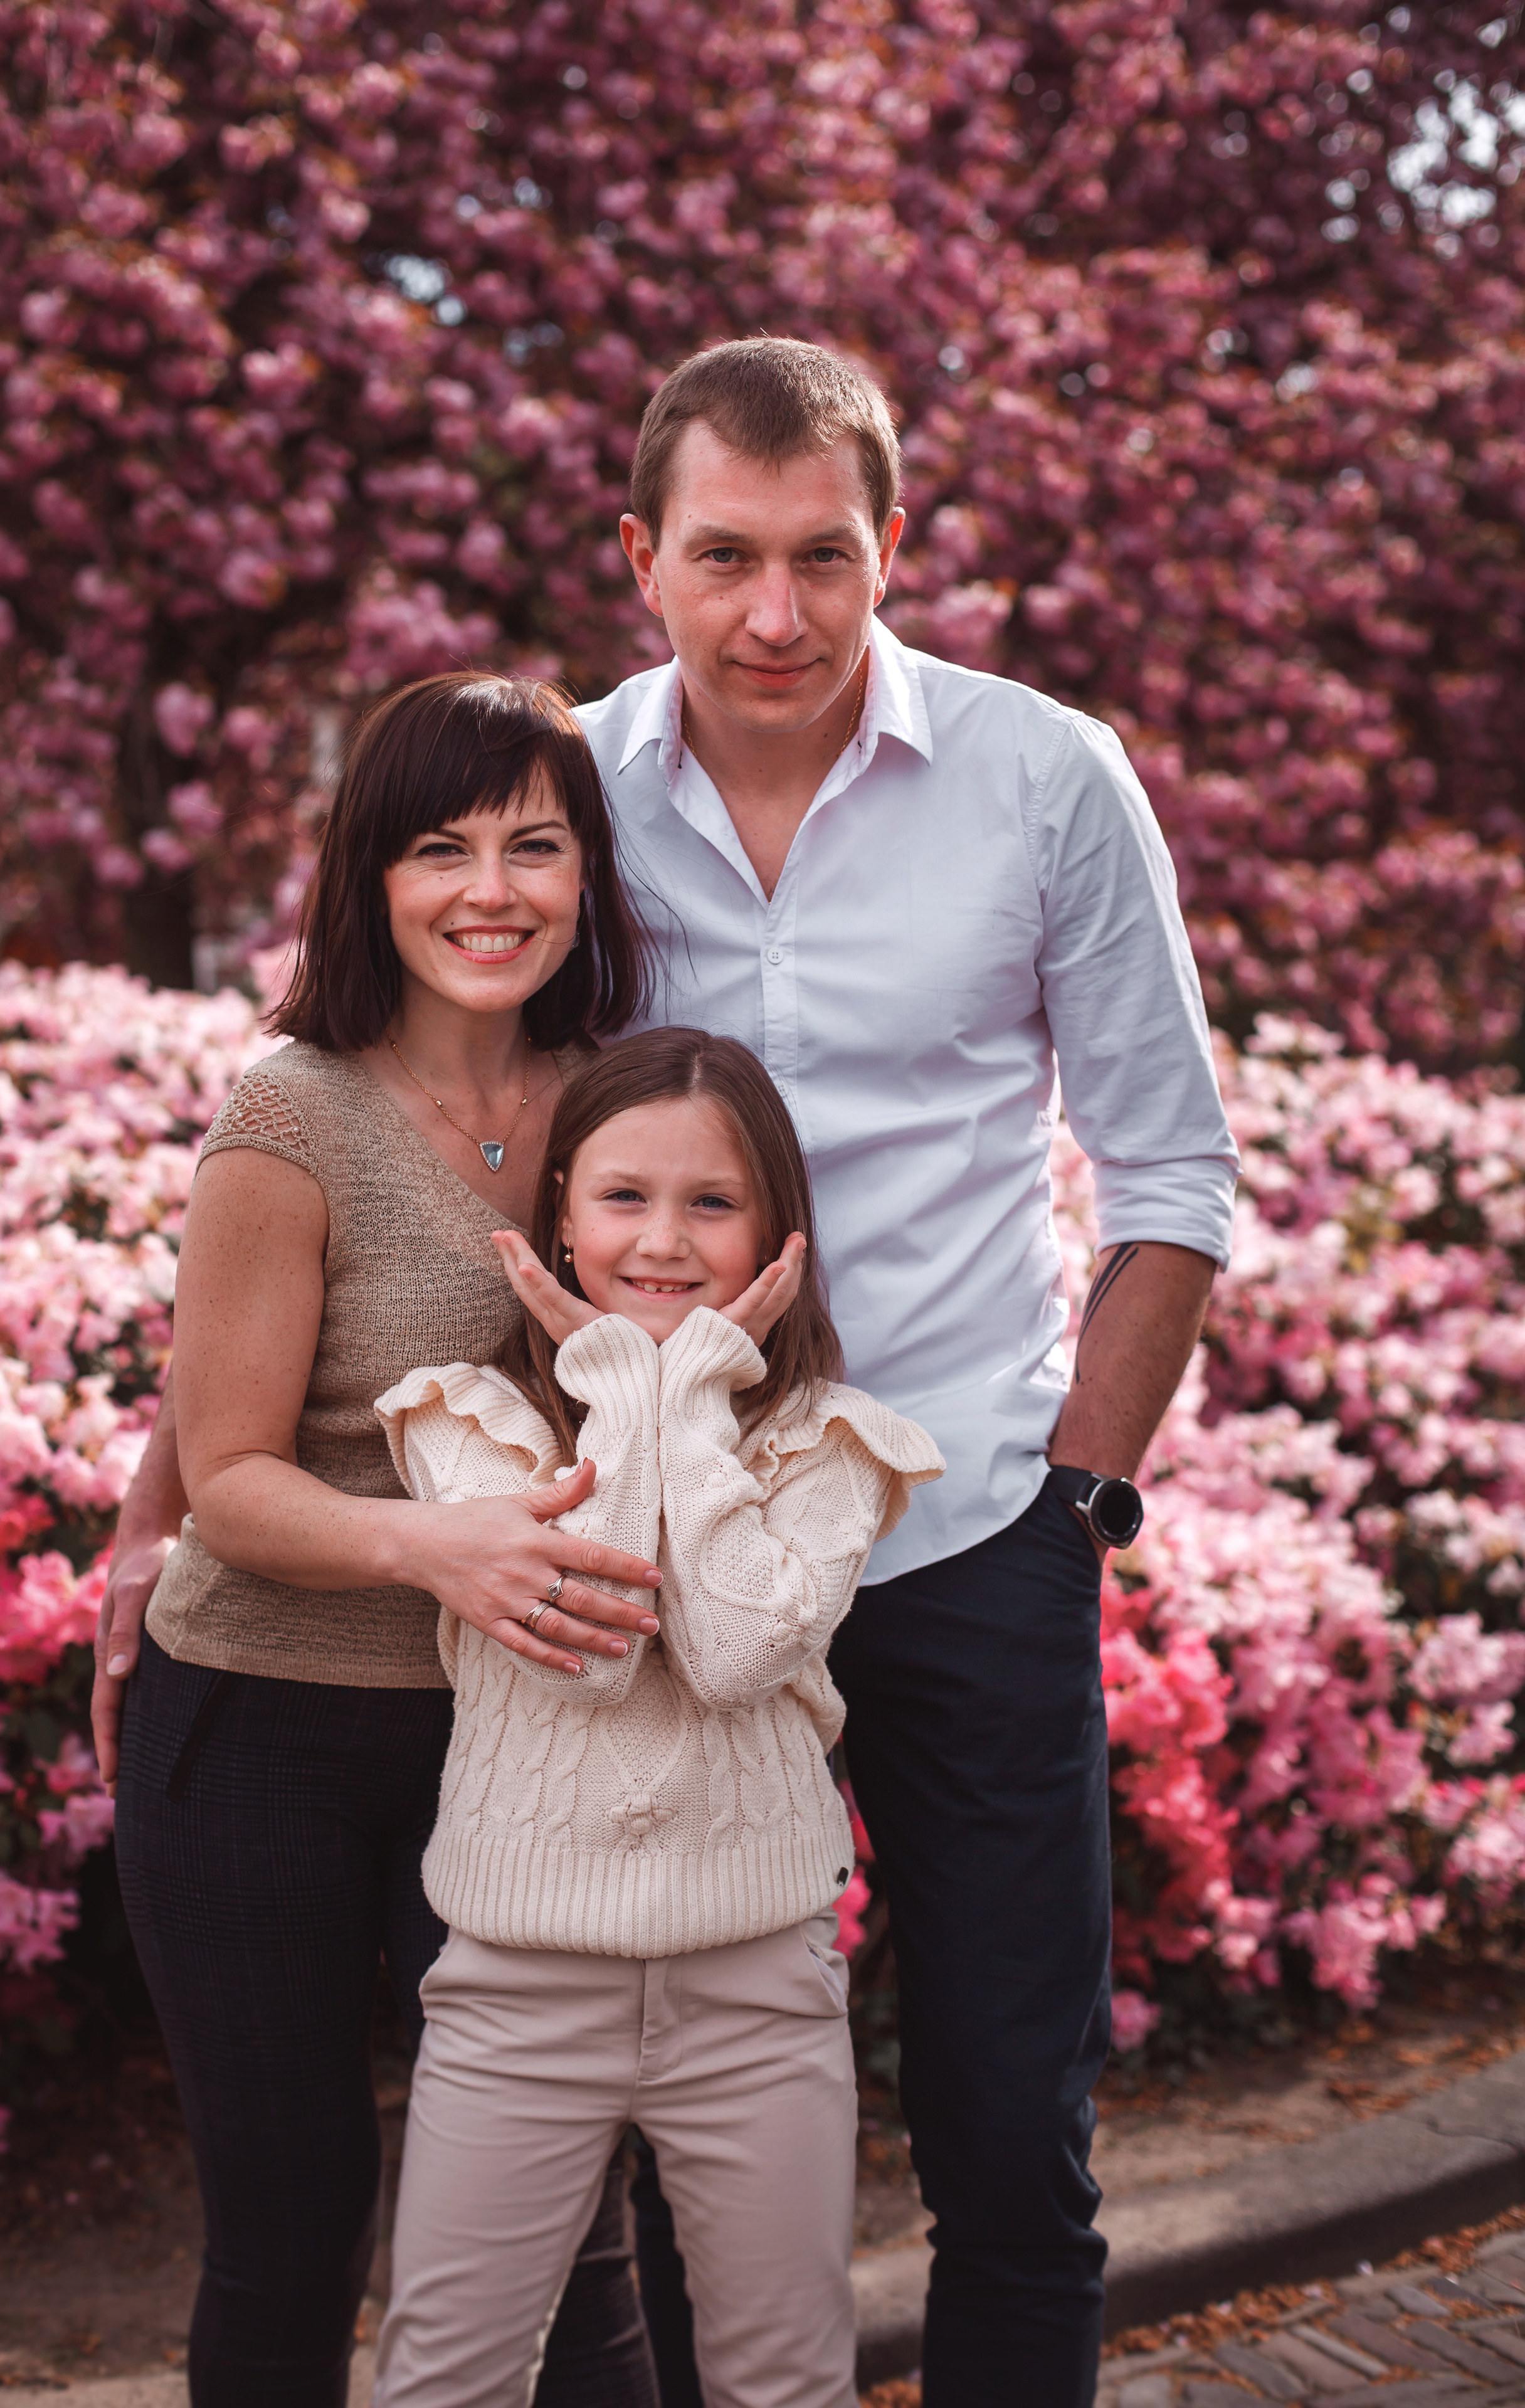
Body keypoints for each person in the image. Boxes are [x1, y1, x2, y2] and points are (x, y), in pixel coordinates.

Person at [574, 338, 1242, 2408]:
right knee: (685, 2162)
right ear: (642, 559)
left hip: (969, 1539)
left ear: (897, 552)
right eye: (725, 559)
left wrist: (1077, 1509)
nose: (777, 616)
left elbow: (1175, 1170)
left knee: (1009, 2142)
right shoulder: (560, 796)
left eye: (827, 561)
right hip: (669, 1569)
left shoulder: (1047, 779)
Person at [104, 673, 669, 2408]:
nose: (489, 889)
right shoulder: (291, 1117)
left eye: (533, 845)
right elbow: (231, 1471)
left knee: (571, 2213)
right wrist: (439, 1553)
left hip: (516, 1742)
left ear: (589, 878)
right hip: (259, 1725)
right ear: (371, 873)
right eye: (440, 848)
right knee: (296, 2221)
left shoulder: (620, 1107)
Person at [368, 1027, 942, 2408]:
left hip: (756, 1986)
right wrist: (631, 1387)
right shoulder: (468, 1425)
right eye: (623, 1197)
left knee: (782, 2384)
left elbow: (739, 1649)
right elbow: (593, 1660)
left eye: (711, 1203)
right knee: (445, 2382)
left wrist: (667, 1392)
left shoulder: (834, 1442)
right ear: (558, 1215)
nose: (663, 1242)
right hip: (516, 1985)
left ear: (774, 1240)